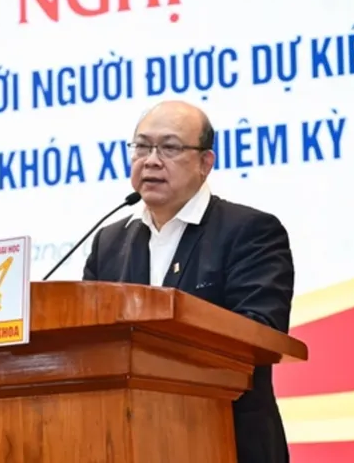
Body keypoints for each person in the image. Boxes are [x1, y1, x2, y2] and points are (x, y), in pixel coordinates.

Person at [82, 100, 296, 463]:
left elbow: (261, 332)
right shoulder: (110, 242)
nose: (151, 160)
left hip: (226, 438)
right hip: (127, 441)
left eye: (169, 148)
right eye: (142, 147)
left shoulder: (250, 232)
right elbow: (87, 341)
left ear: (205, 163)